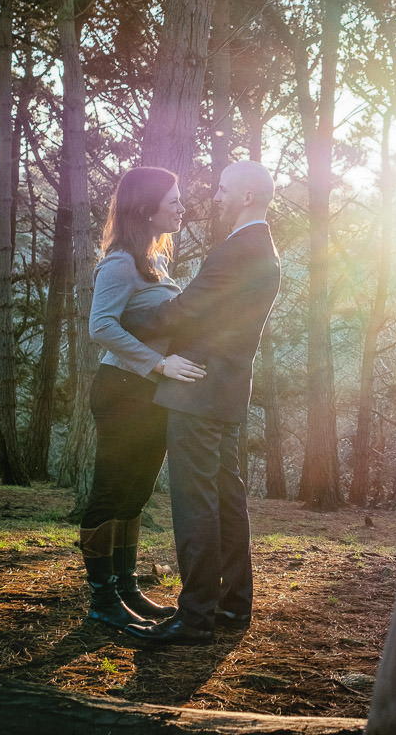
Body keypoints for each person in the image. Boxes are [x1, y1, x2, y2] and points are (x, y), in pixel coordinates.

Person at [122, 160, 281, 645]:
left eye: (223, 189)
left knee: (195, 503)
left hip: (198, 389)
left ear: (247, 197)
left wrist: (128, 321)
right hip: (228, 390)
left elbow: (188, 310)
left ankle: (194, 618)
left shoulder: (236, 251)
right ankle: (232, 609)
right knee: (229, 502)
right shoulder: (263, 251)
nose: (215, 195)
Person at [79, 166, 207, 632]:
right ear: (145, 208)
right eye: (172, 200)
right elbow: (101, 327)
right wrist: (158, 364)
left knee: (134, 495)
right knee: (110, 492)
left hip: (149, 397)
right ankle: (101, 601)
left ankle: (126, 586)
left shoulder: (153, 259)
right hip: (122, 393)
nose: (180, 207)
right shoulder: (119, 263)